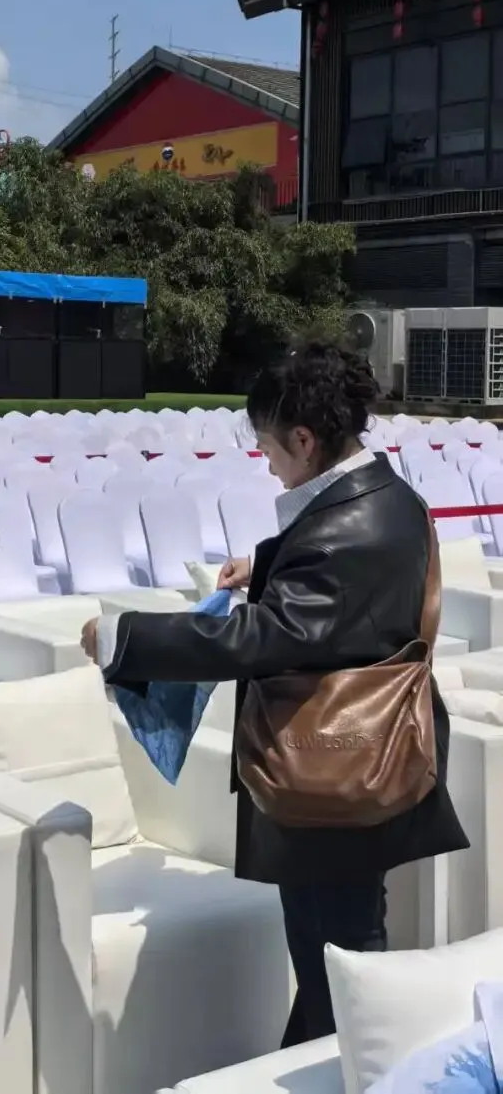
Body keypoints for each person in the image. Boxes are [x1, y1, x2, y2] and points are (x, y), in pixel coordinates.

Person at [82, 342, 468, 1047]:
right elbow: (342, 583)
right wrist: (265, 562)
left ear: (304, 438)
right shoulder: (389, 496)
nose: (266, 463)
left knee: (338, 955)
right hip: (367, 753)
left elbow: (264, 636)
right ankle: (327, 1062)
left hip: (336, 765)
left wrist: (124, 637)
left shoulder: (348, 534)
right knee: (335, 949)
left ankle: (359, 1067)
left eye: (267, 447)